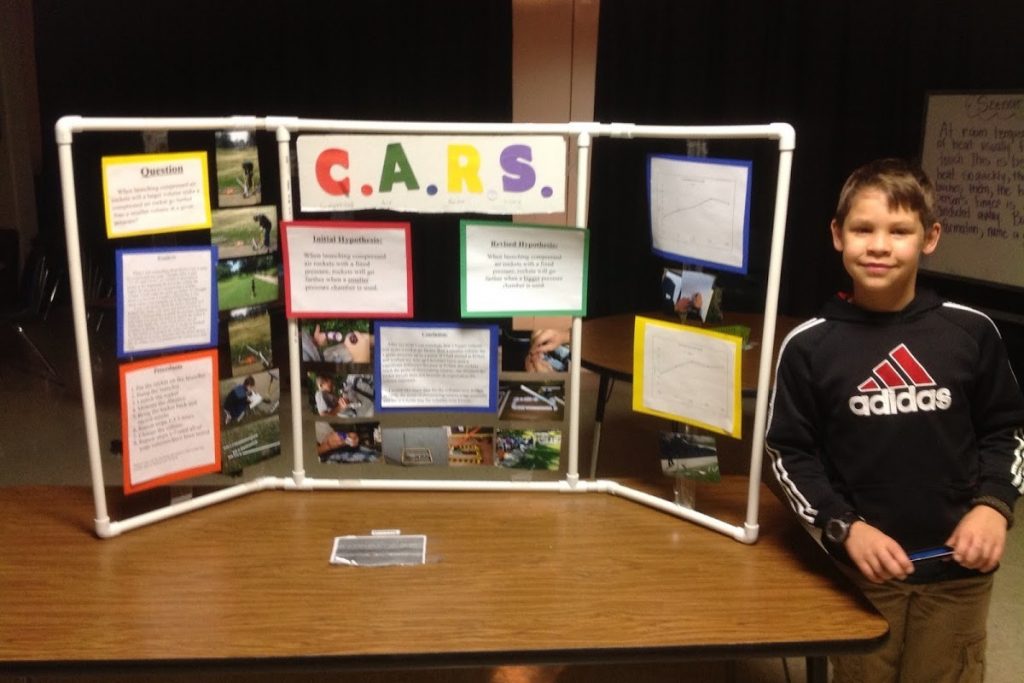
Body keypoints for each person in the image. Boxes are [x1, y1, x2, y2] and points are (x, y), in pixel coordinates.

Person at [765, 158, 1024, 682]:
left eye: (899, 231)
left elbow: (1007, 431)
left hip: (959, 571)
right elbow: (788, 454)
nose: (879, 246)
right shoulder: (810, 346)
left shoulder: (969, 332)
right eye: (863, 229)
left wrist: (994, 507)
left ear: (930, 238)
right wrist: (843, 526)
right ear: (838, 235)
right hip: (863, 568)